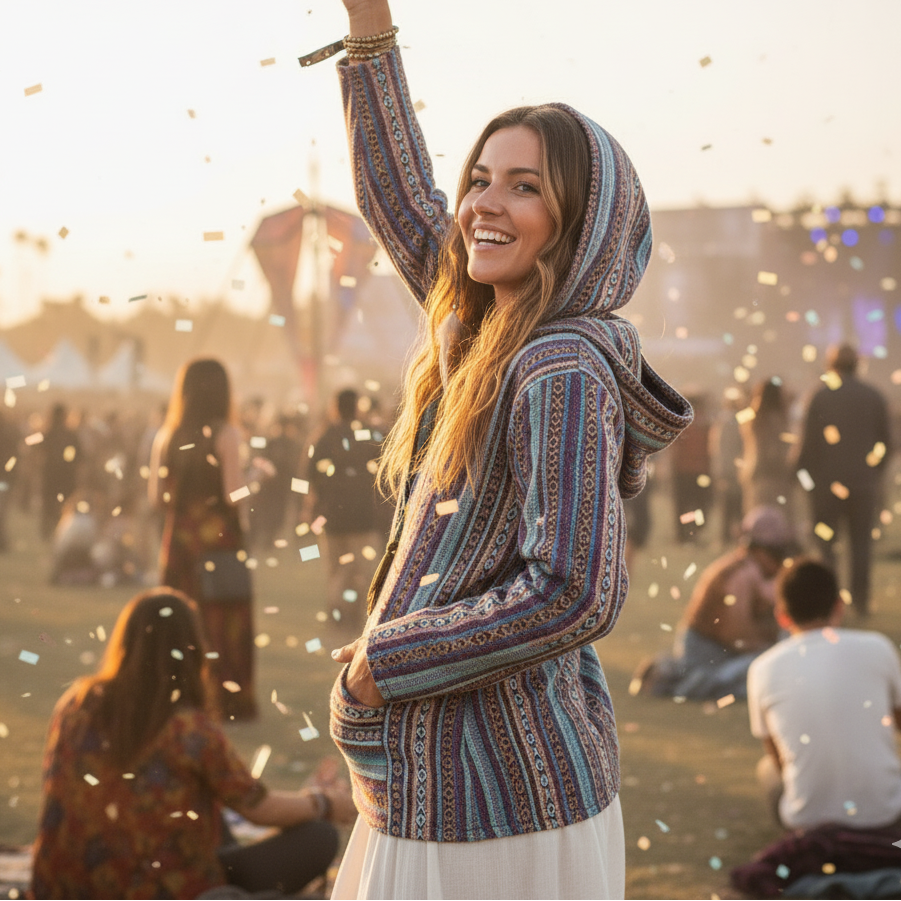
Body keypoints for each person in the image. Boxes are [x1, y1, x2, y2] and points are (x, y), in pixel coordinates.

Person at [319, 2, 693, 898]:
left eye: (524, 186)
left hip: (499, 810)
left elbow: (574, 588)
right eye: (480, 178)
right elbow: (403, 205)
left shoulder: (557, 364)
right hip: (446, 788)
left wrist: (382, 663)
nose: (484, 203)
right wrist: (369, 29)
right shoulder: (489, 329)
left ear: (581, 222)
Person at [30, 588, 352, 901]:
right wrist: (325, 803)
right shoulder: (188, 729)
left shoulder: (76, 704)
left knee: (208, 808)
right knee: (319, 838)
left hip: (65, 885)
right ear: (192, 649)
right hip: (166, 888)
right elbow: (258, 807)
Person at [731, 559, 901, 897]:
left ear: (782, 615)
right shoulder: (878, 647)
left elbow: (780, 760)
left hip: (809, 823)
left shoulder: (762, 668)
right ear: (839, 606)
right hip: (886, 816)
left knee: (767, 771)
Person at [149, 359, 257, 720]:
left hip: (180, 542)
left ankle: (176, 694)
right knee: (222, 622)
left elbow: (157, 498)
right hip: (219, 542)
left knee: (178, 618)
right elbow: (232, 495)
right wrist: (257, 477)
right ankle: (226, 700)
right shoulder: (226, 434)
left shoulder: (167, 436)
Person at [633, 506, 793, 701]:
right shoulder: (740, 575)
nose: (779, 561)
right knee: (754, 671)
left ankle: (677, 674)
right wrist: (770, 646)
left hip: (718, 648)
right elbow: (737, 633)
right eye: (775, 554)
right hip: (707, 648)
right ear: (758, 549)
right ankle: (681, 681)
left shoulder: (754, 571)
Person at [796, 343, 891, 616]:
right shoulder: (873, 396)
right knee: (861, 546)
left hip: (826, 486)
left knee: (827, 548)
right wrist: (873, 473)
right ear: (857, 365)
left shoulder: (820, 396)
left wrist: (805, 479)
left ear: (831, 365)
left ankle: (828, 605)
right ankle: (860, 603)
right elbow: (887, 443)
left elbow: (807, 445)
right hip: (864, 484)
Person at [306, 388, 379, 630]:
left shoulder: (324, 436)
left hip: (331, 515)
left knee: (336, 568)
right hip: (362, 513)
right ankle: (355, 613)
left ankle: (337, 611)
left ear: (335, 407)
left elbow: (310, 474)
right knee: (360, 568)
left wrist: (315, 504)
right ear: (357, 407)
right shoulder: (367, 434)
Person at [738, 377, 793, 516]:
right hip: (776, 475)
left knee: (757, 517)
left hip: (755, 473)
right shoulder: (778, 420)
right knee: (778, 517)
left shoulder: (753, 420)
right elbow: (778, 450)